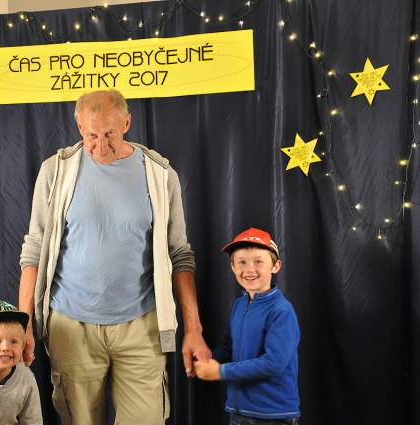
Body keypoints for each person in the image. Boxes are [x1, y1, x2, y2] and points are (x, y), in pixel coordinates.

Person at [18, 89, 210, 425]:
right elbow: (34, 250)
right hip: (71, 326)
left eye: (110, 134)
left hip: (142, 325)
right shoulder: (55, 171)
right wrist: (24, 325)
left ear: (127, 123)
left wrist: (193, 329)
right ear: (79, 127)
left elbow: (180, 255)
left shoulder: (159, 173)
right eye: (91, 136)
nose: (101, 146)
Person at [194, 228, 300, 425]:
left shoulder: (281, 311)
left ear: (275, 266)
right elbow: (229, 346)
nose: (249, 269)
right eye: (242, 262)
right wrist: (207, 361)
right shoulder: (239, 304)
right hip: (239, 411)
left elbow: (274, 363)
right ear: (233, 267)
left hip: (272, 415)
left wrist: (220, 371)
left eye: (258, 261)